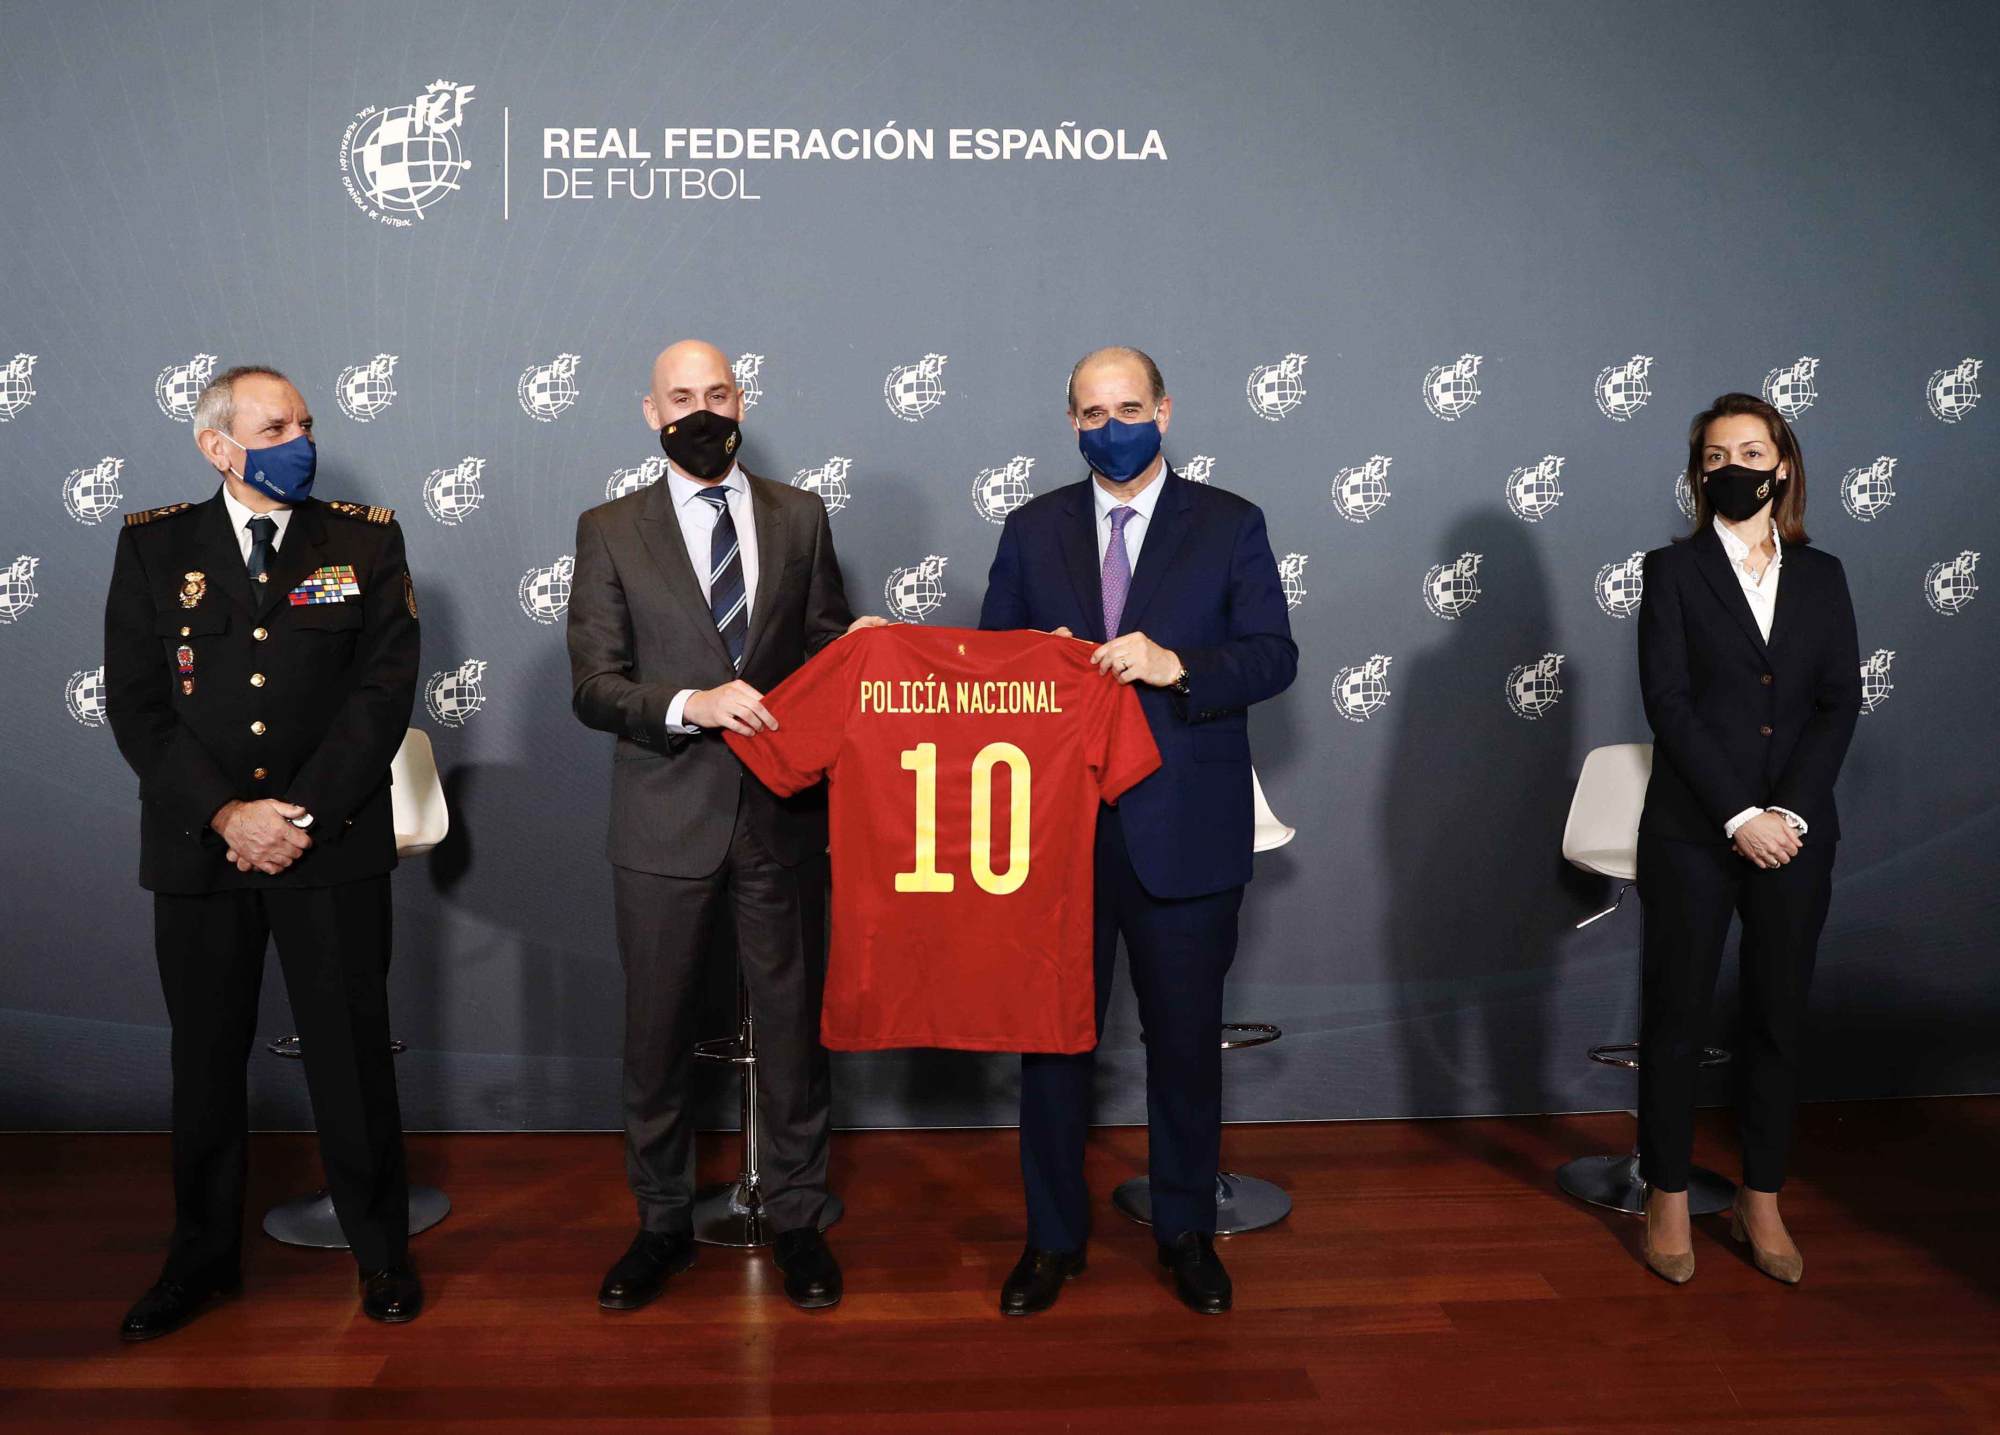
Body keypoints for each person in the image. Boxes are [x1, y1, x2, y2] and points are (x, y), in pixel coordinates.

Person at [103, 365, 424, 1339]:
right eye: (274, 424)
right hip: (202, 850)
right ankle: (199, 1261)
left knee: (351, 1056)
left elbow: (382, 695)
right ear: (217, 445)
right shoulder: (157, 546)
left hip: (329, 847)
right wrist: (228, 815)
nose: (299, 437)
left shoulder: (363, 538)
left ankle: (381, 1254)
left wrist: (299, 816)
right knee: (204, 1063)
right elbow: (140, 706)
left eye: (305, 421)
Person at [977, 345, 1297, 1315]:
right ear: (1069, 423)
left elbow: (1271, 656)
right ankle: (1050, 1239)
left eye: (1126, 405)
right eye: (1089, 411)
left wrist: (1175, 664)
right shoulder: (1031, 530)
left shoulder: (1229, 523)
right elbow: (990, 669)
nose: (1108, 425)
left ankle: (1186, 1232)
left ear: (1163, 410)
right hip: (1060, 832)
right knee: (1053, 1047)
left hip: (1184, 828)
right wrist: (1040, 665)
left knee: (1183, 1045)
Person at [566, 339, 881, 1312]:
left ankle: (796, 1216)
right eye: (679, 396)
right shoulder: (610, 527)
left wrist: (864, 655)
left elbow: (827, 652)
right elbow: (594, 684)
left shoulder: (800, 515)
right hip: (665, 814)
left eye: (716, 391)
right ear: (648, 411)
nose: (700, 409)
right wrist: (690, 705)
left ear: (741, 398)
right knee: (655, 1033)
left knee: (791, 1029)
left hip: (782, 817)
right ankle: (658, 1221)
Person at [1633, 391, 1862, 1285]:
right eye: (1716, 454)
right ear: (1700, 473)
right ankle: (1666, 1192)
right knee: (1677, 1017)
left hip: (1799, 837)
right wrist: (1740, 816)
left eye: (1751, 450)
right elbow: (1670, 704)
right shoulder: (1671, 572)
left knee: (1778, 1017)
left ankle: (1762, 1195)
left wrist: (1791, 814)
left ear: (1785, 464)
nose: (1735, 466)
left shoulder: (1826, 576)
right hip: (1695, 831)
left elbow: (1837, 702)